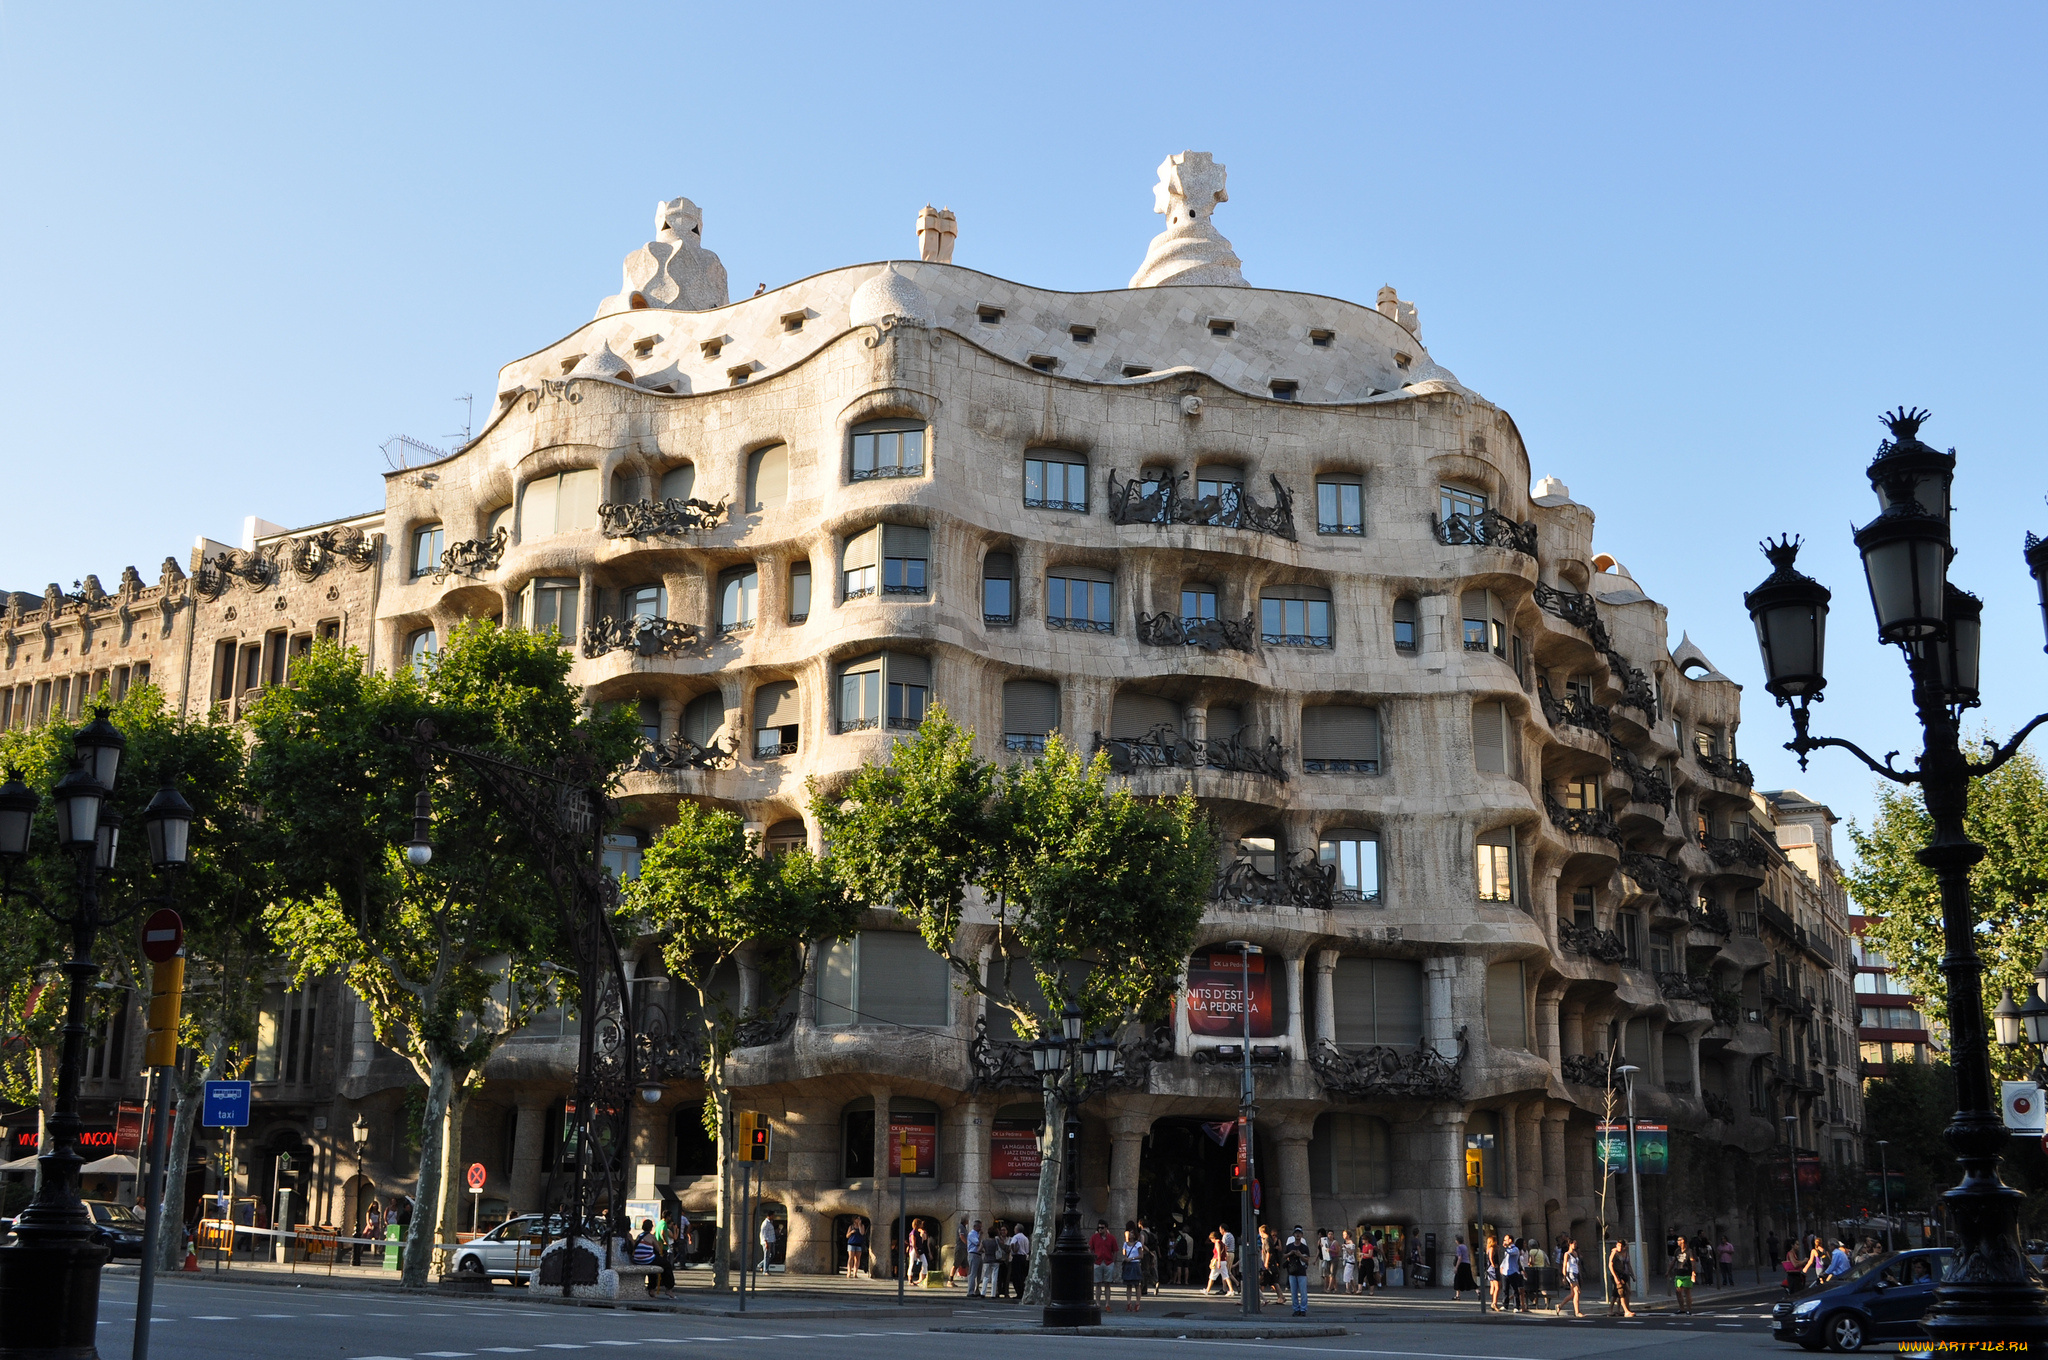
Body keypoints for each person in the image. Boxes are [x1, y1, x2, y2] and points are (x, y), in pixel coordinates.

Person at [634, 1218, 676, 1298]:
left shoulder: (639, 1236)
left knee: (653, 1267)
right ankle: (669, 1289)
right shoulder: (651, 1237)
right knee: (667, 1265)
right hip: (647, 1259)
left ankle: (651, 1289)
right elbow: (658, 1249)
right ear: (651, 1227)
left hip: (637, 1259)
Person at [1090, 1219, 1118, 1306]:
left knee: (1107, 1284)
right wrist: (1093, 1259)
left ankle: (1107, 1303)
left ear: (1106, 1228)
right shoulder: (1094, 1237)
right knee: (1097, 1284)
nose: (1100, 1229)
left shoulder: (1111, 1238)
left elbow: (1115, 1250)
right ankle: (1098, 1303)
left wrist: (1113, 1261)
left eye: (1102, 1227)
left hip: (1108, 1262)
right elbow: (1090, 1248)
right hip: (1097, 1262)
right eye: (1099, 1228)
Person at [1284, 1226, 1311, 1316]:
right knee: (1293, 1292)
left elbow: (1307, 1260)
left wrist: (1300, 1255)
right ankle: (1296, 1309)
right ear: (1293, 1235)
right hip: (1292, 1271)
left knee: (1303, 1292)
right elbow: (1284, 1256)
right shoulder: (1289, 1246)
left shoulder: (1304, 1247)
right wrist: (1290, 1253)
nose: (1298, 1234)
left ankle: (1303, 1309)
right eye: (1296, 1233)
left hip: (1301, 1272)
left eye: (1299, 1233)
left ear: (1302, 1235)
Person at [1607, 1239, 1635, 1318]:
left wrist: (1632, 1275)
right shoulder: (1615, 1253)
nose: (1619, 1247)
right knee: (1621, 1292)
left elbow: (1628, 1265)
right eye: (1618, 1245)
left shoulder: (1625, 1254)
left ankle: (1616, 1310)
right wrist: (1615, 1277)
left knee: (1617, 1293)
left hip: (1623, 1275)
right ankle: (1626, 1311)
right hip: (1617, 1275)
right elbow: (1610, 1265)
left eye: (1621, 1246)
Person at [1671, 1235, 1697, 1315]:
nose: (1677, 1241)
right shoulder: (1677, 1251)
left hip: (1687, 1274)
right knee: (1678, 1291)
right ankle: (1681, 1308)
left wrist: (1693, 1273)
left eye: (1679, 1240)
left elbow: (1693, 1262)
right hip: (1679, 1273)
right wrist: (1668, 1271)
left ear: (1683, 1241)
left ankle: (1689, 1309)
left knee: (1687, 1292)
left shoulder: (1689, 1251)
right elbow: (1673, 1261)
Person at [1524, 1238, 1550, 1309]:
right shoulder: (1542, 1251)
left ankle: (1534, 1301)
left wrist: (1529, 1263)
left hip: (1534, 1272)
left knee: (1529, 1287)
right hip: (1542, 1271)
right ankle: (1546, 1302)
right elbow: (1548, 1262)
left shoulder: (1532, 1251)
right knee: (1542, 1288)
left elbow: (1532, 1262)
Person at [1205, 1227, 1232, 1295]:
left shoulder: (1217, 1243)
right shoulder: (1222, 1243)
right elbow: (1225, 1249)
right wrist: (1224, 1257)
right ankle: (1231, 1290)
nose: (1211, 1241)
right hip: (1223, 1261)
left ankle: (1207, 1290)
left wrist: (1219, 1262)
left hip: (1218, 1261)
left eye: (1211, 1239)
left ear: (1213, 1238)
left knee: (1212, 1276)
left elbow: (1218, 1253)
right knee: (1226, 1276)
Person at [1501, 1235, 1524, 1312]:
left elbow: (1511, 1253)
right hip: (1506, 1272)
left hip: (1513, 1271)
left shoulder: (1515, 1249)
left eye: (1506, 1240)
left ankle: (1516, 1306)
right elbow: (1505, 1259)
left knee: (1515, 1290)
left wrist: (1506, 1248)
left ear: (1510, 1240)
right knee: (1505, 1290)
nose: (1504, 1241)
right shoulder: (1507, 1250)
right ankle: (1505, 1305)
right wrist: (1502, 1266)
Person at [1562, 1240, 1583, 1318]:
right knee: (1577, 1291)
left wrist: (1580, 1275)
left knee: (1573, 1294)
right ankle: (1577, 1312)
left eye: (1576, 1244)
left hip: (1576, 1273)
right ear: (1570, 1244)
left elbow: (1577, 1265)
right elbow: (1564, 1265)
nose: (1575, 1245)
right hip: (1570, 1273)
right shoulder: (1567, 1254)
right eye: (1574, 1244)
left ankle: (1560, 1306)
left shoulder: (1575, 1253)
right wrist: (1564, 1276)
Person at [1009, 1222, 1030, 1300]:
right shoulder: (1026, 1238)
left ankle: (1019, 1292)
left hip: (1017, 1256)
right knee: (1022, 1275)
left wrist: (1014, 1250)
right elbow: (1027, 1250)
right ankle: (1022, 1291)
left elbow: (1012, 1244)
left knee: (1016, 1276)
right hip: (1024, 1257)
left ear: (1017, 1229)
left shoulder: (1016, 1237)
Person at [1451, 1234, 1475, 1300]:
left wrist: (1456, 1267)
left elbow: (1459, 1257)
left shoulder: (1459, 1247)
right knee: (1469, 1278)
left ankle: (1457, 1295)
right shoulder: (1465, 1247)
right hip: (1467, 1264)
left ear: (1457, 1241)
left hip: (1461, 1264)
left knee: (1457, 1279)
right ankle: (1478, 1291)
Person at [967, 1219, 984, 1298]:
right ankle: (970, 1291)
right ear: (975, 1226)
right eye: (979, 1227)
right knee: (973, 1273)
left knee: (979, 1274)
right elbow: (977, 1243)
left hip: (979, 1254)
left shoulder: (977, 1234)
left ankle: (977, 1290)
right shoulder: (972, 1234)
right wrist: (980, 1236)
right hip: (973, 1254)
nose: (980, 1228)